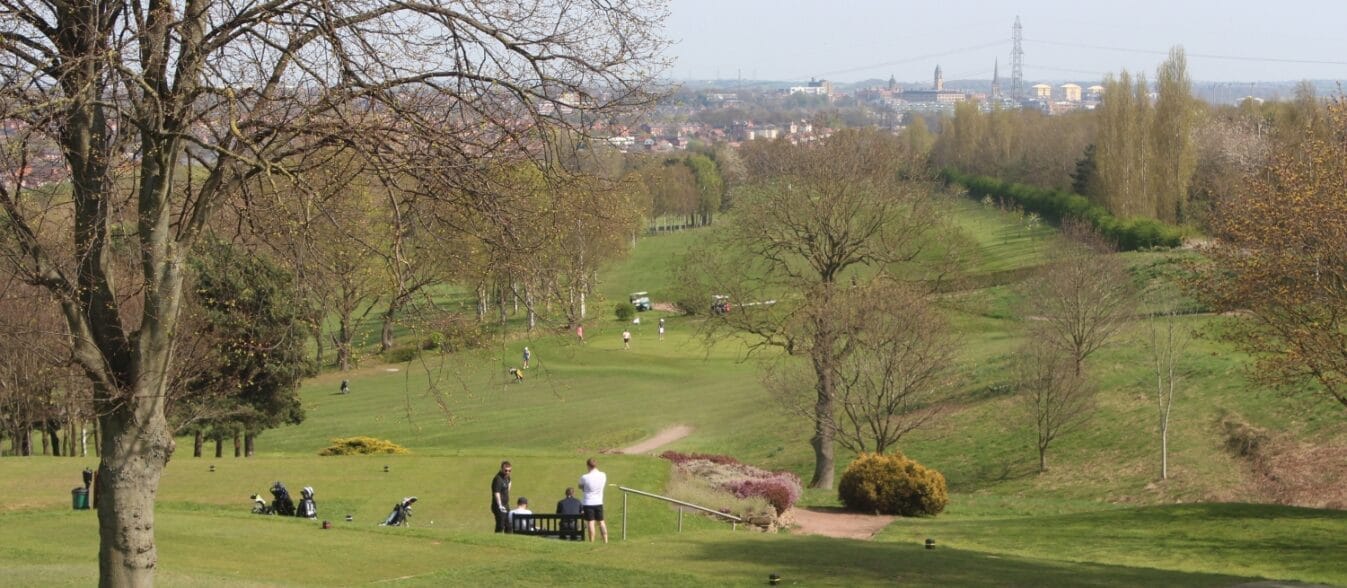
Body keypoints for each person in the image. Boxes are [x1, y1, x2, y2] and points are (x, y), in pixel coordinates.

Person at [579, 457, 609, 543]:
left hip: (588, 502)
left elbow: (580, 486)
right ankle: (605, 540)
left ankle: (591, 541)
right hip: (599, 501)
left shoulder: (585, 477)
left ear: (588, 466)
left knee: (591, 523)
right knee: (601, 522)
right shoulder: (603, 475)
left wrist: (585, 488)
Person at [491, 461, 512, 533]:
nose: (507, 472)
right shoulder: (498, 479)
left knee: (509, 525)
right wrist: (500, 505)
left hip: (506, 505)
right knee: (500, 525)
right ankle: (497, 539)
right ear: (501, 469)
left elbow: (509, 483)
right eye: (506, 470)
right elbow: (497, 493)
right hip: (498, 506)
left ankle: (508, 541)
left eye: (509, 470)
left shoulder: (507, 477)